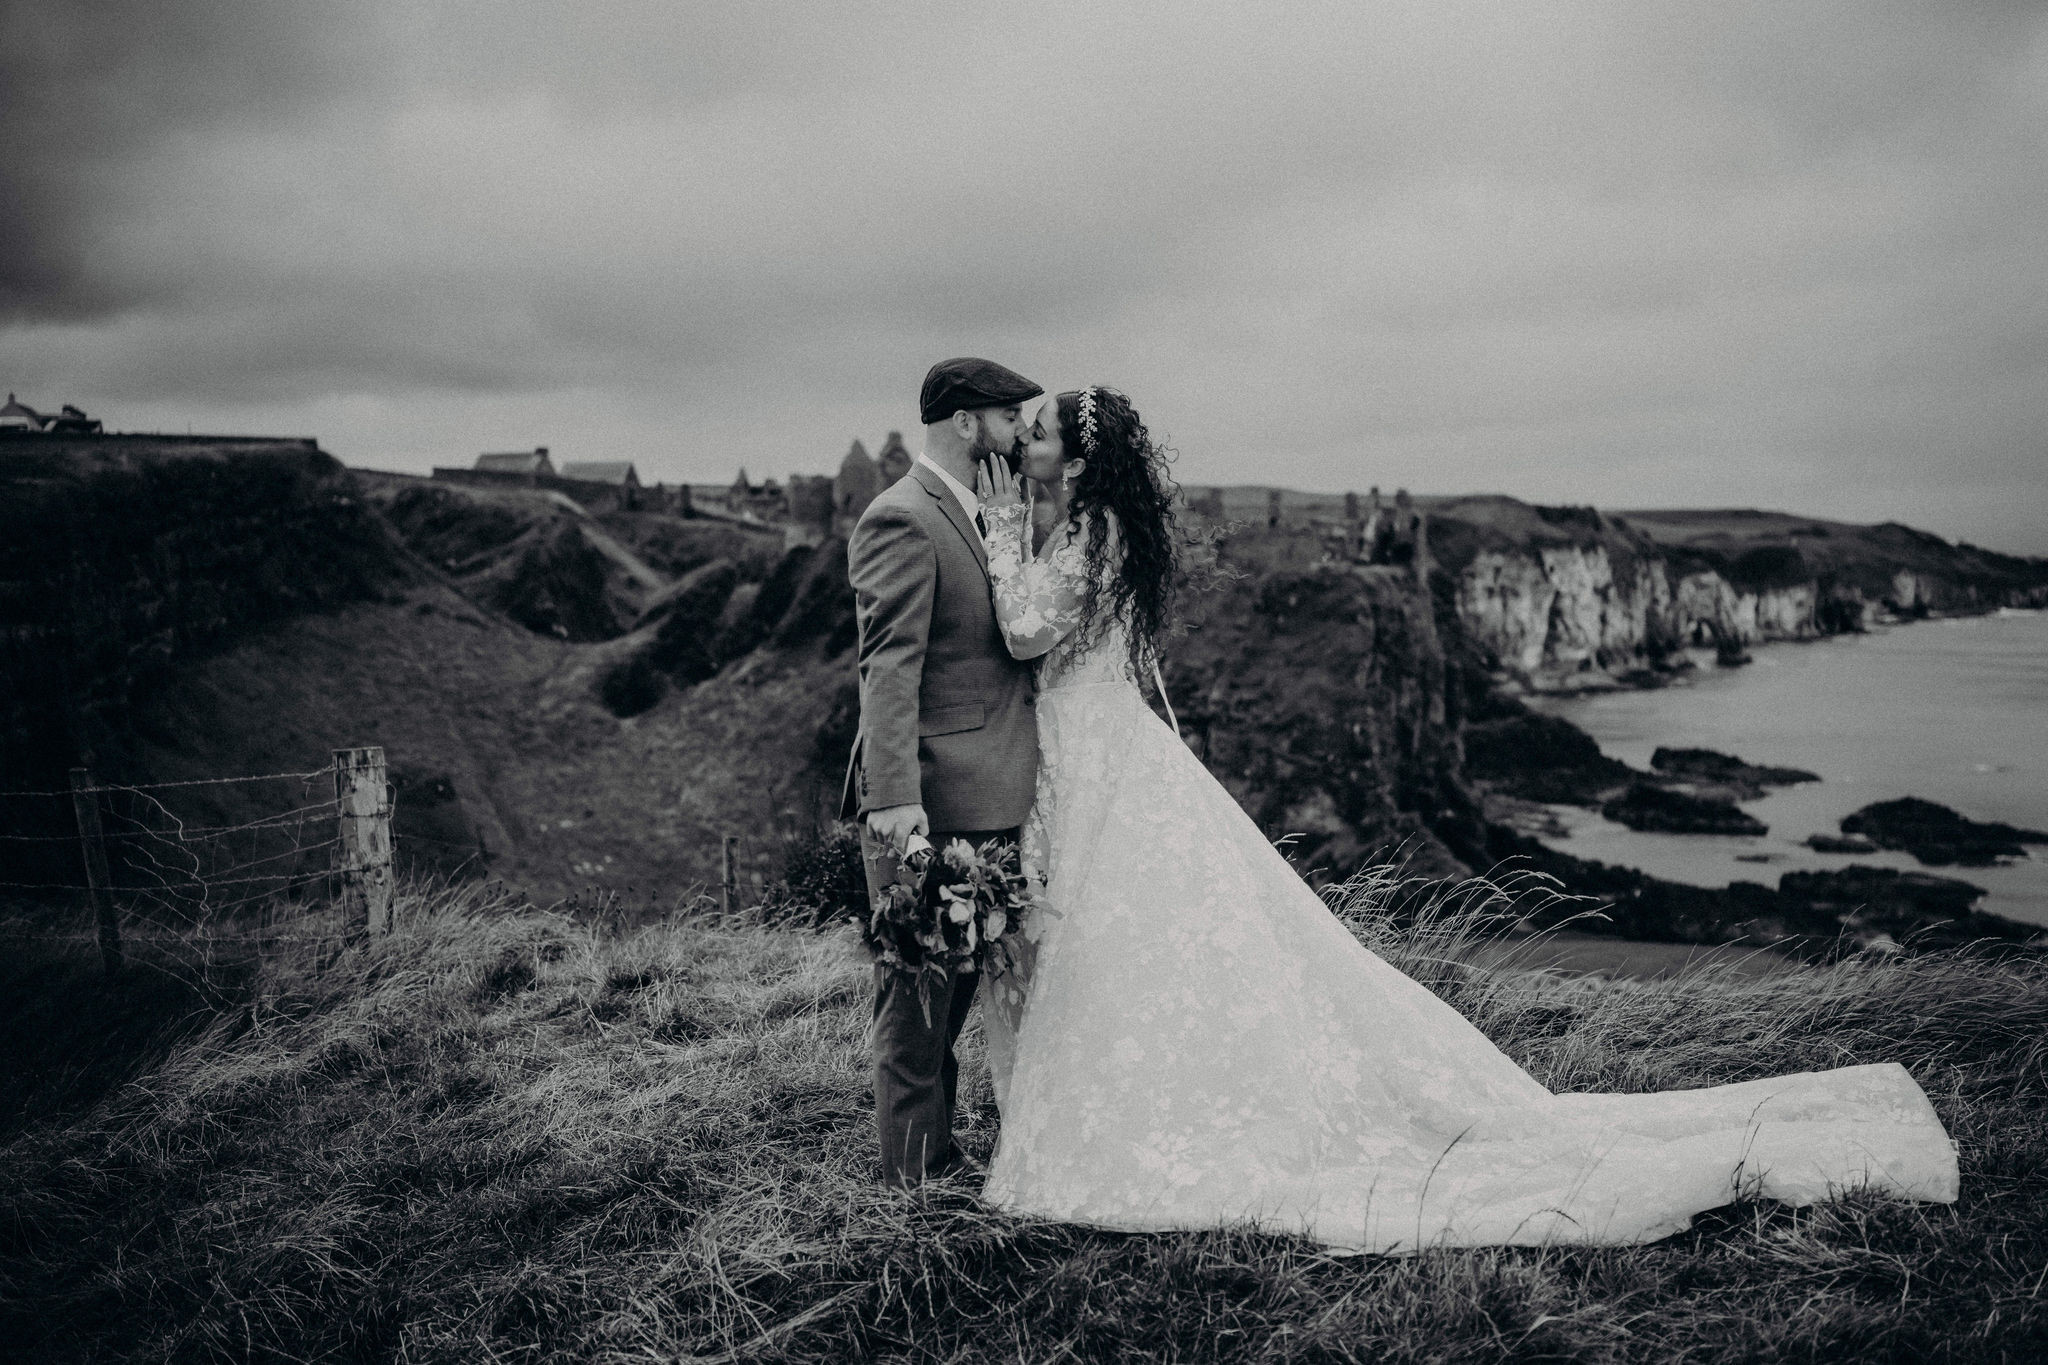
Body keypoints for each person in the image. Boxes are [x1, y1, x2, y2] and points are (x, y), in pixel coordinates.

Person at [968, 386, 1959, 1251]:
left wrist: (1001, 530)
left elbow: (1023, 629)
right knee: (1127, 938)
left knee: (1118, 933)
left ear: (1078, 458)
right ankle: (1117, 1101)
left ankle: (1123, 1119)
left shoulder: (1089, 532)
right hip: (1095, 749)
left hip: (1097, 753)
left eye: (1040, 431)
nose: (1024, 441)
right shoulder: (1098, 526)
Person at [842, 356, 1044, 1186]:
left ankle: (936, 1154)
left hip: (987, 791)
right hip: (931, 798)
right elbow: (888, 668)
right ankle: (912, 1180)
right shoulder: (902, 516)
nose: (1023, 432)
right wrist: (894, 799)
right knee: (918, 994)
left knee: (952, 991)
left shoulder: (982, 508)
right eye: (1010, 417)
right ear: (966, 423)